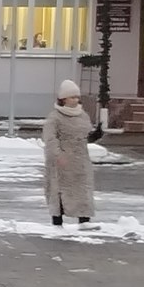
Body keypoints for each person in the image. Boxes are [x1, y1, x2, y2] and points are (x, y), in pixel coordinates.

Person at [42, 79, 103, 230]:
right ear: (63, 99)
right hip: (62, 161)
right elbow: (50, 139)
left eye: (77, 97)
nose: (76, 100)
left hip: (80, 160)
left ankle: (84, 220)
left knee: (83, 190)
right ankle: (57, 222)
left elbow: (84, 137)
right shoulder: (55, 117)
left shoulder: (82, 115)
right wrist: (57, 156)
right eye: (72, 97)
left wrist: (96, 135)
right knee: (59, 190)